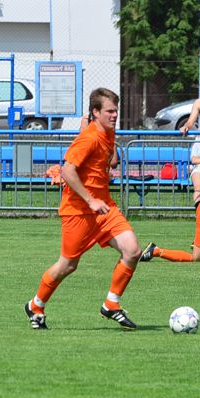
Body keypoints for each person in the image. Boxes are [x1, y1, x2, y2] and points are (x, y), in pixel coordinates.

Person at [24, 87, 143, 330]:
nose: (114, 115)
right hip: (79, 211)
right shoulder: (88, 138)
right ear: (95, 112)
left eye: (116, 111)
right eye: (109, 111)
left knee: (132, 251)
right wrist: (90, 200)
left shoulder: (107, 132)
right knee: (68, 265)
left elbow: (111, 161)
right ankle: (36, 305)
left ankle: (111, 304)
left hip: (105, 208)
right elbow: (67, 170)